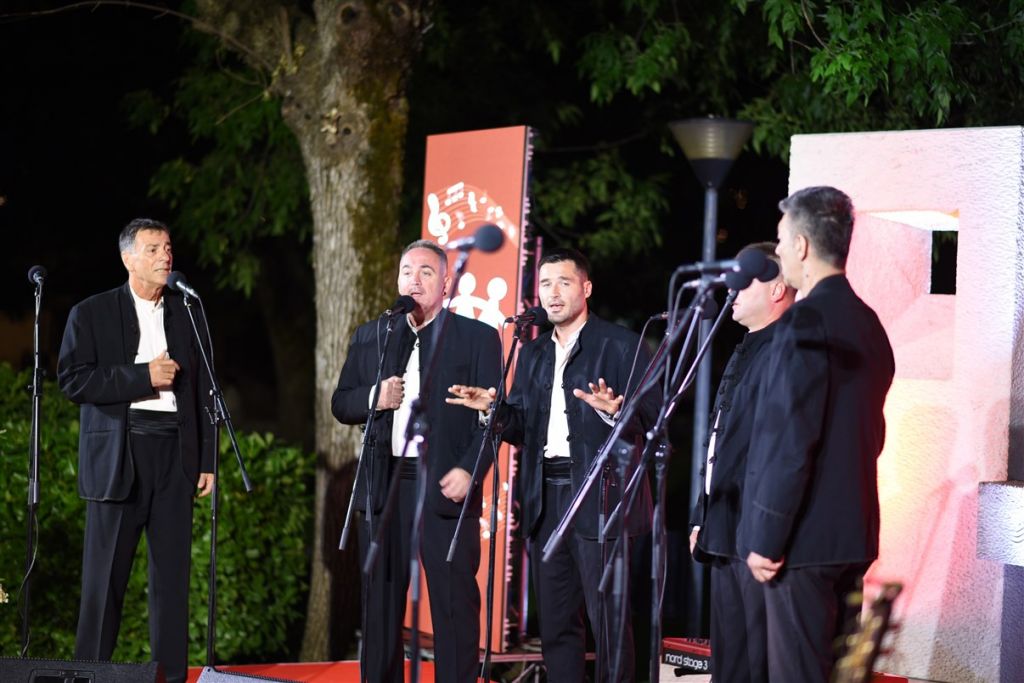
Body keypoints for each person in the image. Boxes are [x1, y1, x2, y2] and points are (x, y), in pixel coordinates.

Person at [448, 248, 658, 682]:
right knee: (558, 626)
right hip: (546, 499)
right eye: (545, 284)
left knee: (609, 623)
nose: (553, 293)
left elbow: (654, 415)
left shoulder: (621, 345)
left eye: (564, 282)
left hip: (602, 498)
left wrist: (614, 412)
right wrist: (492, 410)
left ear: (586, 288)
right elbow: (522, 427)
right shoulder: (532, 352)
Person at [738, 186, 895, 682]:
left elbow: (790, 440)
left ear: (802, 245)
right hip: (853, 533)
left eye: (782, 240)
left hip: (802, 541)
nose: (779, 251)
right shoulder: (869, 323)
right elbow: (871, 431)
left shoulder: (804, 321)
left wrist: (767, 537)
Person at [331, 239, 501, 683]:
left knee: (452, 602)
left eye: (426, 272)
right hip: (384, 486)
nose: (414, 280)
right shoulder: (373, 334)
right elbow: (341, 402)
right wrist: (375, 396)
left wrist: (470, 469)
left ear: (446, 283)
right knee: (381, 604)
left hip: (445, 485)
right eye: (407, 271)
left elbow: (495, 418)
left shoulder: (477, 338)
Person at [58, 218, 214, 683]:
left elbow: (206, 391)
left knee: (172, 584)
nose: (165, 256)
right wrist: (142, 376)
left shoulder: (188, 312)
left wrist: (207, 461)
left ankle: (170, 678)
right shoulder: (91, 313)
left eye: (168, 247)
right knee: (104, 583)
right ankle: (88, 676)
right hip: (119, 455)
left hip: (176, 456)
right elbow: (73, 380)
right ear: (128, 258)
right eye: (153, 249)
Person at [689, 242, 796, 683]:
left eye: (744, 278)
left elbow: (783, 450)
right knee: (729, 662)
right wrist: (702, 514)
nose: (731, 288)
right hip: (725, 525)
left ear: (777, 288)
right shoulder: (747, 345)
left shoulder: (788, 349)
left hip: (759, 533)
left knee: (759, 661)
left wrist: (769, 533)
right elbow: (722, 441)